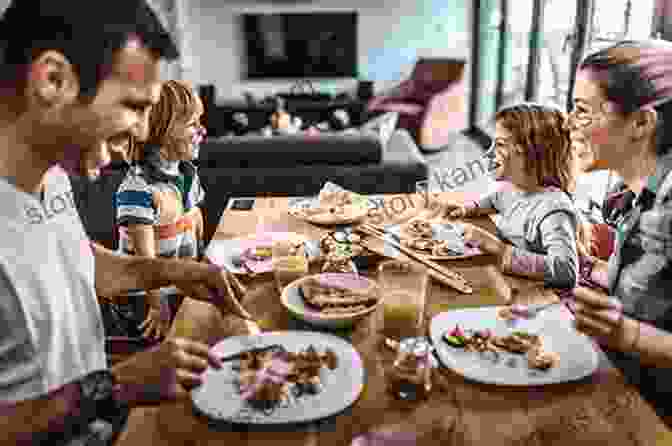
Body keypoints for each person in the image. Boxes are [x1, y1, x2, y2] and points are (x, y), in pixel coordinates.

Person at [0, 1, 254, 444]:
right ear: (53, 80)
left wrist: (174, 271)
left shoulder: (52, 173)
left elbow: (75, 264)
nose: (140, 132)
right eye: (134, 107)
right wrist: (115, 387)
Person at [566, 40, 672, 423]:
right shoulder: (629, 193)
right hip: (620, 383)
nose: (568, 124)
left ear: (641, 123)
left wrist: (625, 334)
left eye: (581, 111)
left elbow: (629, 327)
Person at [440, 103, 588, 290]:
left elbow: (566, 272)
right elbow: (494, 200)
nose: (488, 153)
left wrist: (497, 248)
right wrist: (467, 208)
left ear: (531, 153)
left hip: (541, 299)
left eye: (500, 144)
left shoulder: (553, 211)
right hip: (508, 282)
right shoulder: (514, 189)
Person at [114, 79, 207, 340]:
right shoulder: (138, 189)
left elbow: (195, 216)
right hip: (147, 302)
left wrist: (200, 265)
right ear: (162, 130)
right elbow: (145, 263)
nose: (202, 130)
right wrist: (157, 306)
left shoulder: (187, 172)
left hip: (179, 289)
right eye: (192, 124)